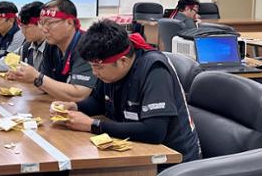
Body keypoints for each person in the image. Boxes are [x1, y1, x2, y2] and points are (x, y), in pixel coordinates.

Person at [56, 20, 201, 162]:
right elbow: (99, 101)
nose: (94, 73)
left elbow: (154, 131)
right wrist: (74, 106)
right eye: (91, 66)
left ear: (123, 61)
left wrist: (93, 125)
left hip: (173, 159)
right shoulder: (110, 69)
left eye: (98, 67)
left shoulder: (155, 70)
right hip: (137, 150)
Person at [6, 0, 96, 102]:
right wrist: (25, 76)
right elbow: (45, 86)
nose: (44, 29)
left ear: (70, 23)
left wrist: (37, 77)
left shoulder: (86, 46)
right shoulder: (51, 45)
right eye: (42, 23)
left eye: (49, 23)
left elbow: (79, 95)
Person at [0, 1, 47, 72]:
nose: (23, 31)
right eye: (21, 27)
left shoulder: (54, 50)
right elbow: (8, 61)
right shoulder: (27, 47)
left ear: (42, 24)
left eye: (26, 27)